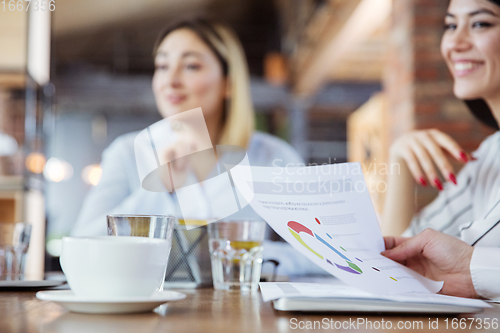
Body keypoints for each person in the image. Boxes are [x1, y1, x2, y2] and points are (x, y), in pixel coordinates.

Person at [71, 18, 324, 276]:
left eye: (191, 66)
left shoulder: (273, 157)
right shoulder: (127, 152)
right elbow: (81, 247)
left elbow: (324, 254)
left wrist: (249, 255)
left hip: (243, 313)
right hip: (150, 313)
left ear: (229, 83)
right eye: (162, 65)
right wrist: (159, 188)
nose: (171, 79)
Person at [382, 0, 500, 299]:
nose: (454, 43)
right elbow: (401, 253)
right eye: (450, 25)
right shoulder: (490, 154)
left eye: (480, 23)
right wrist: (399, 160)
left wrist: (470, 268)